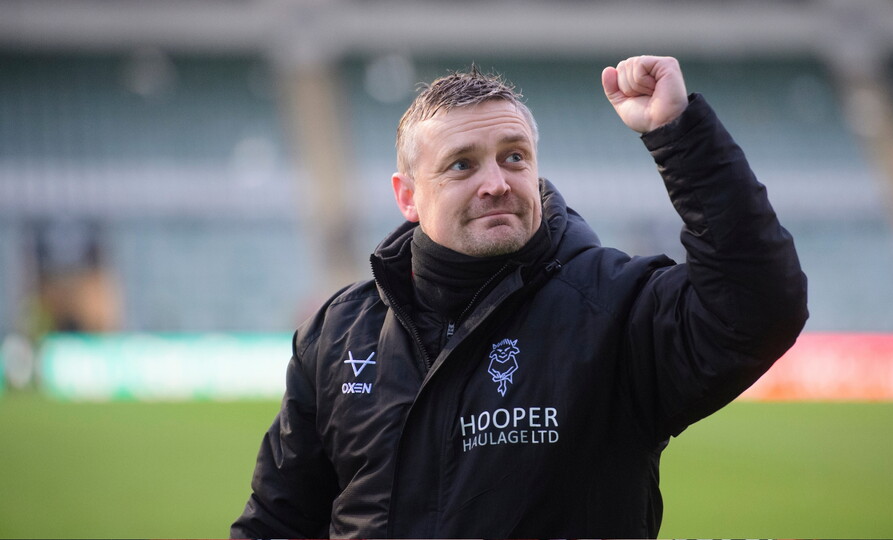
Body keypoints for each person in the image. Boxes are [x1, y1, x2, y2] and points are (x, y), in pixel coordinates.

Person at [231, 55, 808, 538]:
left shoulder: (616, 307)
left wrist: (680, 133)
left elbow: (758, 306)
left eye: (514, 157)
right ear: (407, 197)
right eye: (462, 164)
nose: (496, 182)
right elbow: (279, 522)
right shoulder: (338, 331)